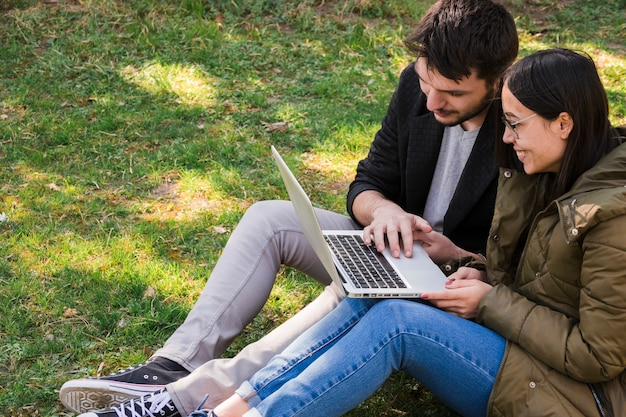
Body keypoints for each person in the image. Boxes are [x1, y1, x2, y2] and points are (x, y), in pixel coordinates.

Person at [60, 0, 519, 415]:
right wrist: (383, 212)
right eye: (426, 82)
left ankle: (206, 393)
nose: (433, 101)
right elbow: (368, 181)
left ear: (496, 81)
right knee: (269, 218)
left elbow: (528, 262)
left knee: (351, 291)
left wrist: (462, 261)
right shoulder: (416, 88)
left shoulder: (522, 130)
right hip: (395, 250)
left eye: (453, 94)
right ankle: (172, 366)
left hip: (456, 283)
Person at [145, 48, 624, 417]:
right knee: (379, 290)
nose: (504, 137)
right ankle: (226, 403)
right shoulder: (544, 169)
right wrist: (459, 261)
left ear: (564, 123)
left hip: (573, 396)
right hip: (517, 348)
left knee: (398, 323)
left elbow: (597, 357)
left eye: (515, 124)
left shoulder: (612, 215)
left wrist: (488, 302)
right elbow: (531, 284)